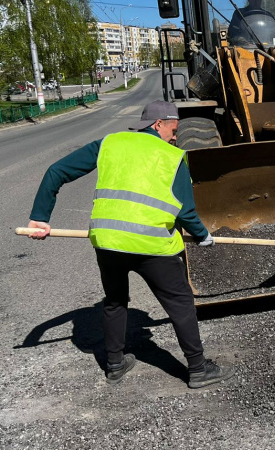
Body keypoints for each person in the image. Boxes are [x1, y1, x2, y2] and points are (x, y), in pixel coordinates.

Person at [26, 100, 227, 389]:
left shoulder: (109, 143)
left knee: (115, 301)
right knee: (181, 304)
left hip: (109, 243)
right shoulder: (173, 157)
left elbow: (56, 171)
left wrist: (39, 217)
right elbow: (185, 211)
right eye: (174, 128)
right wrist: (203, 236)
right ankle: (198, 369)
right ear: (158, 124)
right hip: (153, 246)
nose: (175, 136)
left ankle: (115, 365)